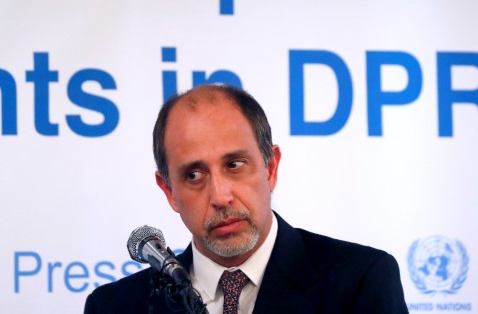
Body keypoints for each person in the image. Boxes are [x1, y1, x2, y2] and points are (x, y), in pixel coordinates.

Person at [84, 84, 408, 313]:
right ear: (169, 191)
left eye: (234, 165)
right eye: (194, 176)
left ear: (270, 168)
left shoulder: (360, 282)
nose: (220, 196)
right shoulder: (116, 307)